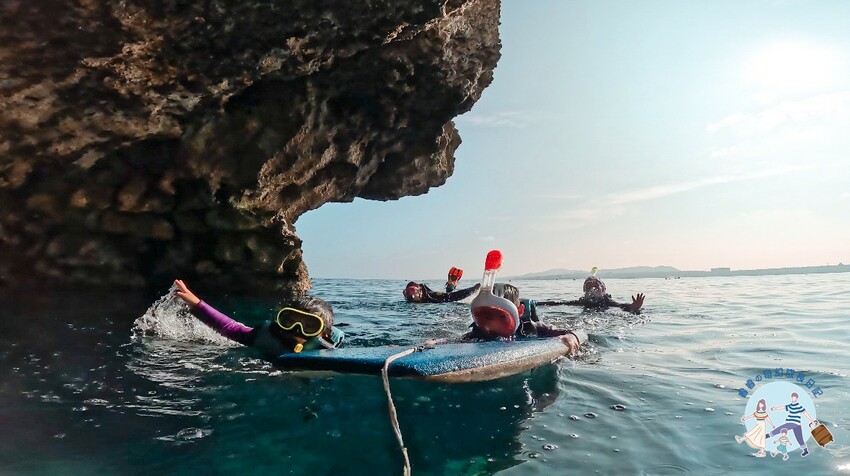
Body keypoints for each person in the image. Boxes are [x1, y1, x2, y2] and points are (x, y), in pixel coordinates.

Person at [172, 279, 345, 356]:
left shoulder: (328, 348)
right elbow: (229, 327)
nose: (296, 329)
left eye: (309, 326)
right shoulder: (264, 336)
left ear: (323, 333)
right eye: (290, 321)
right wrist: (196, 303)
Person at [464, 283, 584, 355]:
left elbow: (580, 333)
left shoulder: (533, 329)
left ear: (520, 311)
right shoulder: (474, 336)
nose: (494, 325)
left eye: (502, 317)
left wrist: (572, 337)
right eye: (487, 317)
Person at [536, 275, 645, 314]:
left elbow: (620, 306)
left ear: (604, 290)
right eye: (589, 287)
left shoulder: (607, 301)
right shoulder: (583, 302)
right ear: (585, 292)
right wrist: (536, 303)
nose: (593, 289)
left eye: (596, 286)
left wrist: (633, 307)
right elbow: (559, 304)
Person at [767, 392, 815, 457]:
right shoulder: (790, 406)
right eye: (792, 397)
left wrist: (811, 420)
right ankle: (805, 450)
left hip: (796, 423)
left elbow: (805, 413)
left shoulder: (799, 406)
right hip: (791, 422)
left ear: (797, 398)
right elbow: (783, 407)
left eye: (794, 397)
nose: (793, 398)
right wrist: (775, 408)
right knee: (797, 436)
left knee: (797, 436)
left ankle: (769, 435)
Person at [403, 280, 480, 303]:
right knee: (448, 296)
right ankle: (451, 285)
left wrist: (473, 289)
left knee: (447, 295)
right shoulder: (426, 298)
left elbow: (453, 297)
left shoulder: (430, 295)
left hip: (438, 296)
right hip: (438, 298)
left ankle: (451, 285)